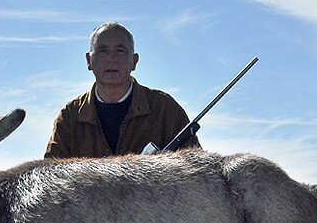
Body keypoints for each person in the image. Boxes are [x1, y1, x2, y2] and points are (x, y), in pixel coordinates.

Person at [44, 22, 200, 159]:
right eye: (103, 51)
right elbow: (50, 176)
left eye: (120, 50)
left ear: (134, 61)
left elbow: (197, 173)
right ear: (89, 60)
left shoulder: (165, 110)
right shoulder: (70, 117)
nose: (111, 58)